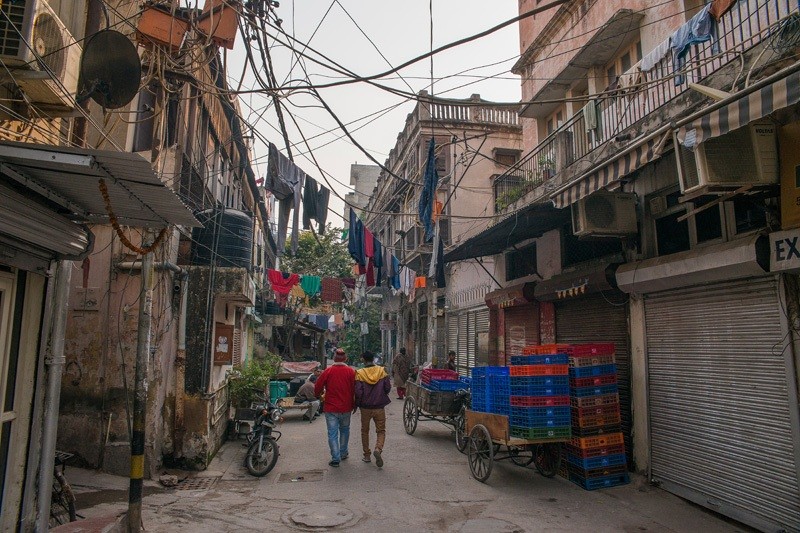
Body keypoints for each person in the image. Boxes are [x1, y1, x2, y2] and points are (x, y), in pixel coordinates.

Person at [314, 348, 356, 467]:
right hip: (346, 407)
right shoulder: (350, 372)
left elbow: (318, 386)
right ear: (345, 358)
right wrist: (355, 404)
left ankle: (335, 458)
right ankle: (343, 453)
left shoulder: (328, 371)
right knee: (345, 430)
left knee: (332, 433)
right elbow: (355, 389)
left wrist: (317, 395)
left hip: (331, 407)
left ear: (334, 358)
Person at [354, 350, 391, 467]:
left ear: (363, 360)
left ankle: (367, 455)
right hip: (379, 407)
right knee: (381, 431)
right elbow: (387, 388)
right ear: (374, 358)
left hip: (365, 408)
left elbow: (358, 392)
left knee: (364, 431)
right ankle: (378, 449)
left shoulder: (359, 373)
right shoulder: (382, 371)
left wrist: (357, 404)